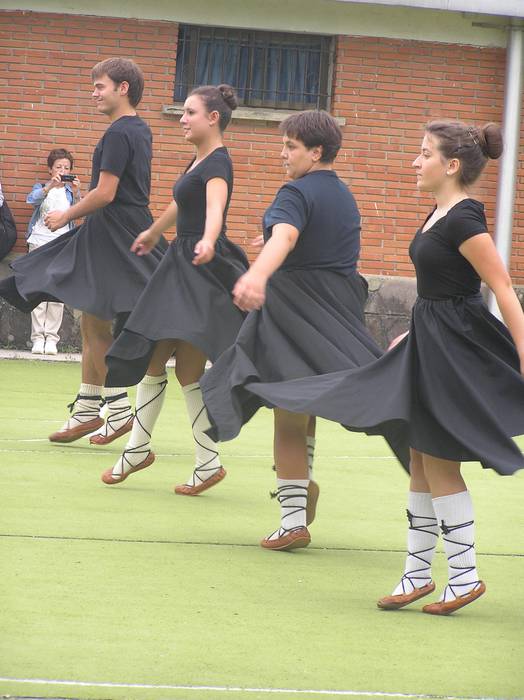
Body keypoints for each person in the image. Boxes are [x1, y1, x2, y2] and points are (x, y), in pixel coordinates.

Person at [234, 120, 524, 614]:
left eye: (424, 153)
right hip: (430, 341)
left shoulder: (465, 221)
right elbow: (441, 289)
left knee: (439, 460)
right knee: (418, 459)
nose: (415, 161)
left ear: (450, 166)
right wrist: (416, 331)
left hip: (455, 350)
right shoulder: (438, 214)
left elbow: (502, 289)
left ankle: (464, 576)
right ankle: (416, 574)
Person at [199, 110, 410, 551]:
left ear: (316, 151)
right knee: (304, 402)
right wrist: (272, 241)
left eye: (290, 147)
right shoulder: (344, 196)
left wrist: (257, 274)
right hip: (336, 311)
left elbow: (289, 238)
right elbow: (310, 241)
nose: (282, 154)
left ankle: (293, 517)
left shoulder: (294, 191)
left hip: (293, 313)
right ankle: (300, 495)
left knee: (287, 412)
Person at [0, 58, 167, 445]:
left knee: (59, 291)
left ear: (123, 88)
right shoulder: (139, 130)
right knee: (93, 320)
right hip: (118, 228)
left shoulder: (117, 134)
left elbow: (106, 193)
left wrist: (66, 215)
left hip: (113, 230)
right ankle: (93, 409)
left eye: (100, 86)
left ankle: (115, 407)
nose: (93, 92)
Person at [99, 84, 249, 493]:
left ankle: (142, 450)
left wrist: (207, 238)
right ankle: (201, 461)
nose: (182, 119)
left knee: (170, 359)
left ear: (213, 118)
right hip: (180, 262)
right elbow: (182, 204)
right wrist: (152, 231)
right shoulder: (198, 159)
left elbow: (216, 207)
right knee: (176, 365)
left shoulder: (218, 162)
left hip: (201, 267)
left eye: (190, 113)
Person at [25, 148, 81, 355]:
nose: (63, 170)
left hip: (62, 244)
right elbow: (31, 200)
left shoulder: (70, 192)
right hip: (39, 242)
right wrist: (50, 186)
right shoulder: (41, 187)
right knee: (38, 289)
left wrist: (76, 192)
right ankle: (37, 338)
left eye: (67, 168)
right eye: (59, 167)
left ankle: (52, 339)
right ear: (50, 170)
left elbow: (83, 209)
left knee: (56, 291)